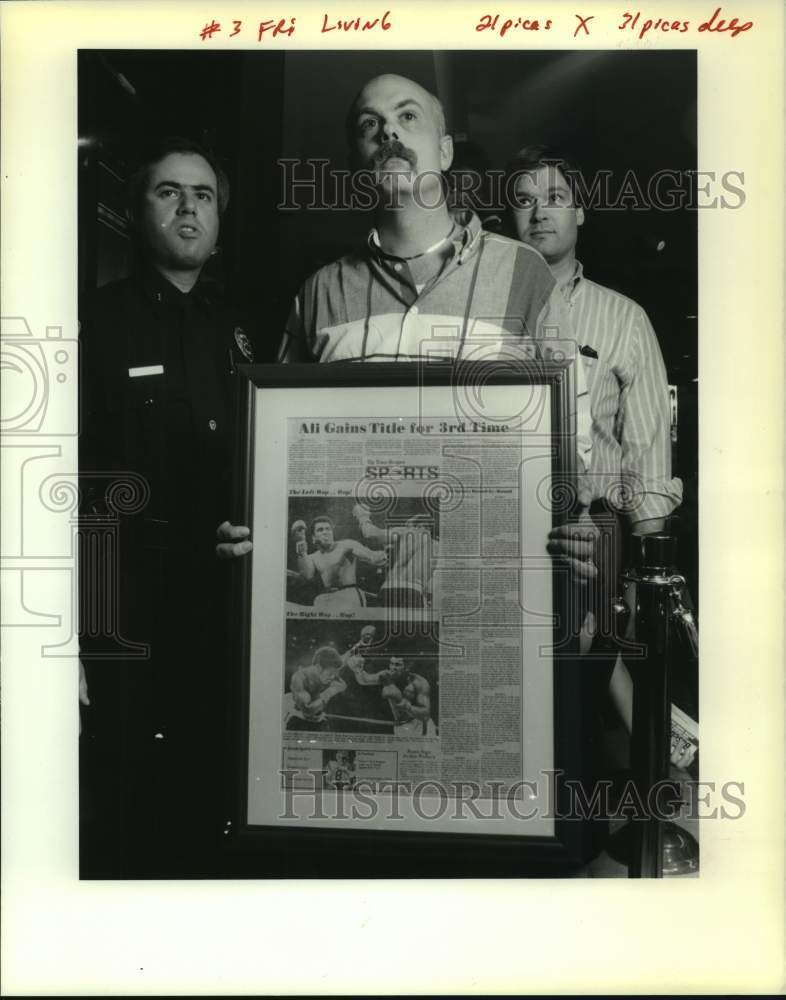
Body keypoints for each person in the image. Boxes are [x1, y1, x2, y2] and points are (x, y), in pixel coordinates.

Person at [79, 136, 253, 877]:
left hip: (225, 616)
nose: (189, 208)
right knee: (131, 816)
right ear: (132, 210)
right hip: (128, 620)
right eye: (168, 192)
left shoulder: (241, 332)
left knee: (214, 804)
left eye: (203, 195)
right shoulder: (94, 325)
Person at [504, 144, 688, 765]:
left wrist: (645, 569)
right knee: (515, 696)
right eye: (524, 200)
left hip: (598, 529)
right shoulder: (487, 314)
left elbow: (647, 450)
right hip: (505, 526)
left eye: (554, 198)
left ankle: (606, 828)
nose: (539, 213)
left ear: (580, 212)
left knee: (588, 692)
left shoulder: (624, 318)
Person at [290, 515, 388, 610]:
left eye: (328, 529)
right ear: (313, 538)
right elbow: (307, 575)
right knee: (318, 602)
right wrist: (301, 544)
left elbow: (370, 557)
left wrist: (379, 556)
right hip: (326, 597)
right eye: (320, 530)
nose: (325, 532)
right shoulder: (313, 557)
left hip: (349, 594)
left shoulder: (346, 545)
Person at [352, 503, 436, 610]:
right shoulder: (436, 546)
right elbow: (432, 584)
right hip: (415, 590)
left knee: (383, 626)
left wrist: (362, 516)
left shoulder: (407, 531)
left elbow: (370, 533)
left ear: (416, 525)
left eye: (407, 525)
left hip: (390, 588)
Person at [351, 656, 434, 737]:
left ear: (407, 666)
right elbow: (364, 680)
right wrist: (357, 668)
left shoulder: (419, 682)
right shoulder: (386, 676)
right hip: (400, 726)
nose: (393, 668)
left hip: (420, 725)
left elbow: (425, 714)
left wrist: (404, 704)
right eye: (391, 664)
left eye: (397, 665)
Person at [286, 647, 348, 732]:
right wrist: (330, 692)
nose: (333, 677)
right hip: (298, 722)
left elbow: (342, 684)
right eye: (330, 674)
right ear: (318, 668)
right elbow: (307, 711)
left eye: (335, 674)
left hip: (321, 722)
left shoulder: (332, 674)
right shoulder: (300, 677)